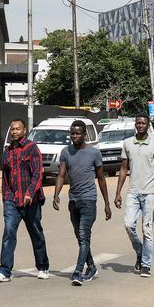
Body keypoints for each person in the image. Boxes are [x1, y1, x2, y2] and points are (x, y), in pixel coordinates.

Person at [53, 120, 112, 285]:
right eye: (72, 133)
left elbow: (101, 179)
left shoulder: (94, 153)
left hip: (89, 199)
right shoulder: (66, 152)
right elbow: (61, 175)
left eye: (77, 133)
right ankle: (91, 266)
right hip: (73, 200)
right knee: (80, 236)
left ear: (84, 134)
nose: (74, 136)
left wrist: (107, 204)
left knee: (84, 234)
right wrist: (56, 194)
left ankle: (78, 271)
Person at [0, 119, 50, 282]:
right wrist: (5, 199)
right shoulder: (7, 152)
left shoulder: (31, 148)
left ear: (24, 130)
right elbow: (5, 177)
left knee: (36, 233)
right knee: (9, 232)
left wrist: (30, 193)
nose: (15, 131)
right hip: (12, 199)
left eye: (18, 129)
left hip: (31, 200)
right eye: (12, 129)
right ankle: (4, 270)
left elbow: (38, 173)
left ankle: (43, 266)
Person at [114, 113, 154, 278]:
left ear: (147, 125)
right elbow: (123, 169)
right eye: (138, 123)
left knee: (147, 230)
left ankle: (146, 265)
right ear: (135, 125)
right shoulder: (128, 143)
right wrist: (118, 192)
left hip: (150, 193)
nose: (140, 125)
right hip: (133, 192)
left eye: (143, 123)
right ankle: (140, 251)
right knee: (129, 225)